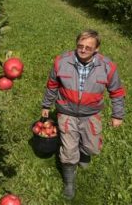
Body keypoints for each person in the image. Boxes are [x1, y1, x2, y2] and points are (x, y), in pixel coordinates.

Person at [40, 29, 126, 200]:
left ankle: (84, 152)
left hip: (91, 114)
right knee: (69, 151)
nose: (84, 50)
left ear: (97, 49)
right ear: (76, 45)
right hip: (67, 113)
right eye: (80, 46)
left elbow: (116, 92)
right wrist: (46, 104)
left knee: (91, 147)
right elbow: (52, 85)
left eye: (89, 47)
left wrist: (117, 115)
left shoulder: (107, 67)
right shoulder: (62, 62)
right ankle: (69, 181)